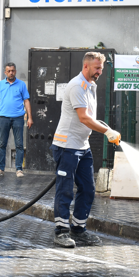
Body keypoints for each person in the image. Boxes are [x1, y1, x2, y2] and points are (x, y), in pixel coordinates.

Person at [51, 51, 120, 248]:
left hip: (82, 146)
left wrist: (106, 129)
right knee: (65, 190)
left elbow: (90, 117)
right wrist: (107, 132)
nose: (100, 72)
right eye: (97, 68)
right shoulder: (77, 86)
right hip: (67, 147)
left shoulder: (91, 86)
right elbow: (83, 118)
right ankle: (61, 232)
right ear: (86, 66)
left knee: (88, 189)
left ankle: (78, 230)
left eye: (101, 68)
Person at [0, 62, 33, 178]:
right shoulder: (0, 85)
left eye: (13, 71)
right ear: (5, 72)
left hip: (18, 118)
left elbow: (26, 101)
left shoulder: (21, 85)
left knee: (19, 144)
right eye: (9, 71)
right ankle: (0, 169)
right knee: (1, 144)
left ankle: (19, 170)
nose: (11, 73)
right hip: (3, 117)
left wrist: (30, 117)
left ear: (15, 71)